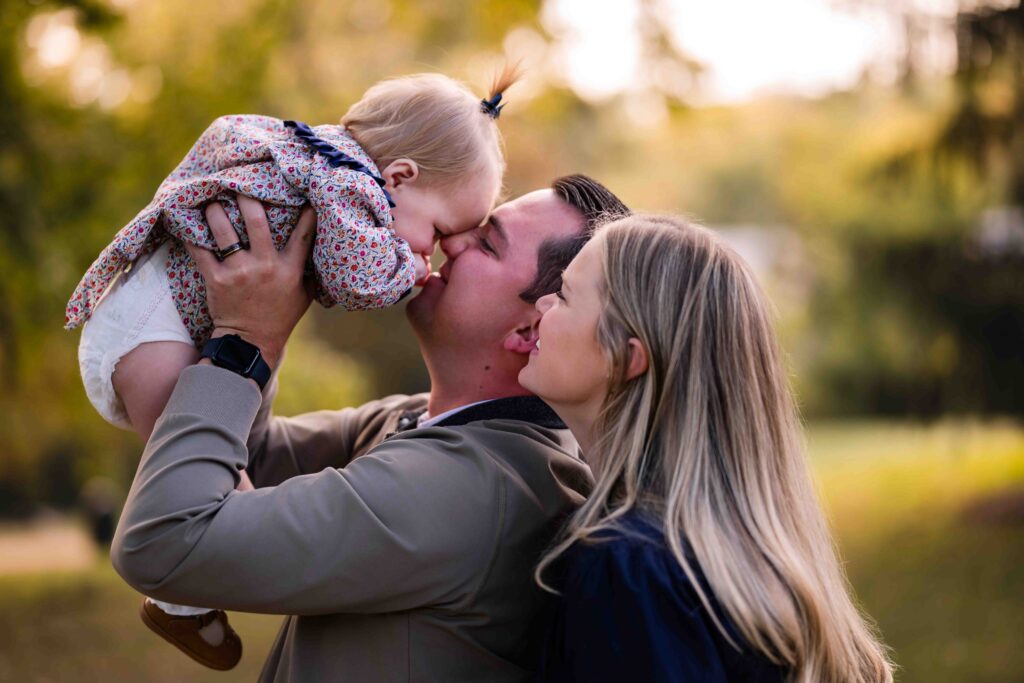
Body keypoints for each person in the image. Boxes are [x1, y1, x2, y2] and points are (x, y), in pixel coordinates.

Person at [67, 69, 516, 667]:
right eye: (437, 232)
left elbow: (258, 444)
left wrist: (256, 336)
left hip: (148, 322)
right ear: (399, 176)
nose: (433, 254)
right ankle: (181, 602)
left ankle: (181, 597)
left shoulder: (310, 154)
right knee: (215, 500)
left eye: (474, 243)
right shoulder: (347, 189)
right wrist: (403, 273)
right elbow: (358, 280)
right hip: (155, 329)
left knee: (212, 470)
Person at [110, 175, 631, 681]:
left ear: (529, 328)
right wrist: (282, 290)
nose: (453, 238)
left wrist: (245, 341)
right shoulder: (421, 419)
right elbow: (253, 458)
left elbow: (164, 541)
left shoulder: (466, 490)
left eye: (487, 244)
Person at [518, 214, 895, 682]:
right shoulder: (716, 551)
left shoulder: (632, 568)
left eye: (566, 295)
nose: (542, 303)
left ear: (626, 358)